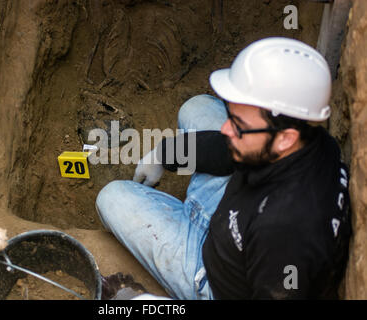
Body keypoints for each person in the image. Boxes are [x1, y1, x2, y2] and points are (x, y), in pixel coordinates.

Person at [95, 37, 352, 300]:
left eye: (238, 123)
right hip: (236, 217)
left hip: (213, 275)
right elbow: (229, 147)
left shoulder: (284, 241)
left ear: (285, 137)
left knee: (112, 198)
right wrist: (164, 154)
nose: (227, 129)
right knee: (196, 108)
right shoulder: (311, 140)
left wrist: (153, 305)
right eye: (232, 115)